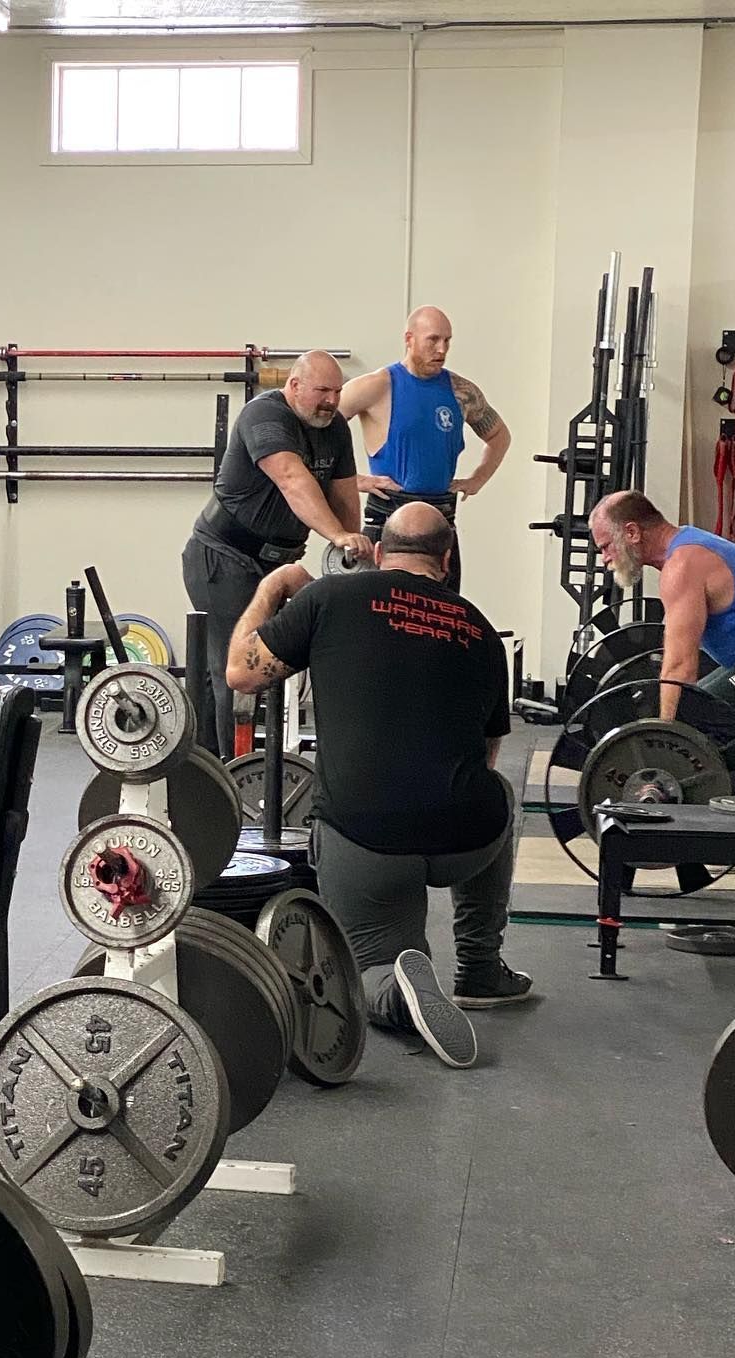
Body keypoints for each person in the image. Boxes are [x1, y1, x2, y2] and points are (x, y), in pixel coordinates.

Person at [225, 502, 532, 1071]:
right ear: (445, 560)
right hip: (466, 838)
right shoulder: (481, 630)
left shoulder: (328, 599)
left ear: (380, 552)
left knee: (359, 970)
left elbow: (241, 672)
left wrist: (273, 586)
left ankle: (394, 989)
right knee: (499, 796)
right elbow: (486, 754)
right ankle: (481, 968)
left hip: (367, 836)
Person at [182, 351, 369, 758]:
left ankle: (262, 769)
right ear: (294, 385)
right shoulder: (263, 415)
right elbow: (291, 478)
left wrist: (355, 547)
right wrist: (338, 534)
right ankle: (221, 780)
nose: (332, 401)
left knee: (278, 665)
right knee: (233, 673)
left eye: (337, 392)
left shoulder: (335, 427)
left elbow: (344, 493)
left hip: (278, 564)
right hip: (224, 559)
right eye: (322, 390)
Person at [588, 491, 735, 758]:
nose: (604, 558)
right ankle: (721, 796)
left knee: (696, 722)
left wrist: (663, 740)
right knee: (695, 707)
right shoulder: (685, 547)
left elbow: (681, 666)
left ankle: (705, 795)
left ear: (632, 532)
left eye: (605, 546)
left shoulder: (682, 565)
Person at [339, 306, 511, 592]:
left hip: (440, 522)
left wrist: (477, 479)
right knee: (378, 613)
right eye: (433, 340)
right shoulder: (376, 386)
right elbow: (315, 432)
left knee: (442, 616)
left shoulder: (461, 391)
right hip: (388, 519)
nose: (441, 349)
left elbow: (499, 436)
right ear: (409, 338)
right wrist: (355, 481)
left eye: (447, 341)